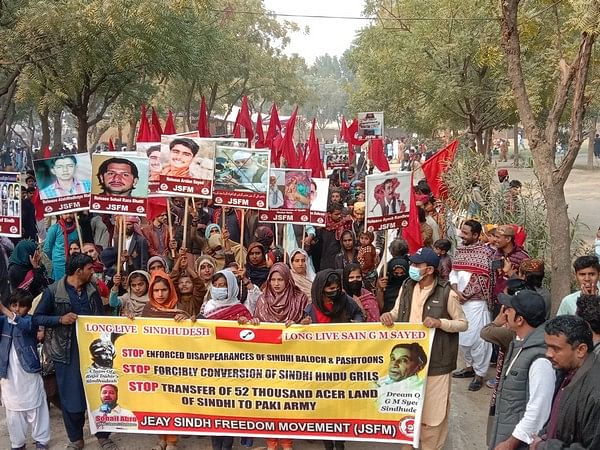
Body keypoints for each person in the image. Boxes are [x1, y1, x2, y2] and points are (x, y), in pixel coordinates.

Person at [381, 247, 467, 450]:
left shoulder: (447, 293)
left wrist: (440, 323)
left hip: (436, 361)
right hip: (409, 364)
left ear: (429, 270)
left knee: (433, 414)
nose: (411, 268)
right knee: (408, 408)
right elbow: (396, 312)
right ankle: (407, 445)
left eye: (416, 265)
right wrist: (388, 317)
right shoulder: (408, 286)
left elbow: (463, 323)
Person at [33, 253, 118, 450]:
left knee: (98, 393)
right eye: (90, 269)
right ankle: (76, 439)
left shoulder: (92, 290)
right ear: (79, 271)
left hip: (92, 353)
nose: (93, 271)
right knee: (71, 397)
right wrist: (59, 320)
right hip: (66, 353)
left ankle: (103, 436)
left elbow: (100, 318)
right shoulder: (53, 291)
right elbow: (37, 318)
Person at [482, 290, 555, 450]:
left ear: (520, 319)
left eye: (509, 309)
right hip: (506, 432)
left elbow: (538, 409)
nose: (505, 312)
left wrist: (510, 443)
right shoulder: (520, 343)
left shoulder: (540, 359)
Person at [531, 316, 600, 449]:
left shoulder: (595, 394)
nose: (548, 354)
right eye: (547, 346)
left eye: (556, 348)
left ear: (581, 350)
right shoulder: (565, 371)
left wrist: (544, 447)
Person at [0, 289, 51, 450]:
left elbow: (25, 325)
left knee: (37, 406)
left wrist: (4, 309)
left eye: (21, 306)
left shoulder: (31, 321)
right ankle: (18, 443)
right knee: (13, 410)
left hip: (28, 372)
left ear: (28, 308)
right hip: (8, 374)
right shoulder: (3, 321)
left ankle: (41, 440)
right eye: (14, 305)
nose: (17, 309)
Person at [449, 220, 493, 392]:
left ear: (476, 235)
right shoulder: (460, 251)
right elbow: (454, 272)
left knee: (478, 341)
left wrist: (465, 295)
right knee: (462, 340)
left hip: (476, 304)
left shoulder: (485, 253)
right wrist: (455, 290)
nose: (461, 235)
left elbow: (482, 280)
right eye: (462, 232)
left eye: (466, 233)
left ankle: (479, 375)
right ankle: (469, 368)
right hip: (459, 302)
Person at [375, 343, 427, 411]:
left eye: (403, 360)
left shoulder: (418, 389)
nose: (394, 364)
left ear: (419, 367)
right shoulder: (381, 381)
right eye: (393, 358)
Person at [491, 225, 529, 311]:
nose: (494, 240)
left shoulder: (523, 257)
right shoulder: (496, 254)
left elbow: (526, 283)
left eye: (498, 237)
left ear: (508, 239)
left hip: (514, 304)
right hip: (497, 302)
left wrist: (510, 273)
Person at [314, 202, 352, 271]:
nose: (339, 216)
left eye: (340, 214)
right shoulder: (322, 227)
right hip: (325, 260)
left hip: (340, 259)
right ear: (329, 214)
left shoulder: (345, 225)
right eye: (336, 214)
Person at [43, 213, 78, 281]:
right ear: (60, 215)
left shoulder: (78, 229)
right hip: (59, 264)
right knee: (60, 286)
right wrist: (56, 258)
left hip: (74, 263)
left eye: (70, 213)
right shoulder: (54, 228)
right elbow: (47, 248)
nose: (68, 216)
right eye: (65, 214)